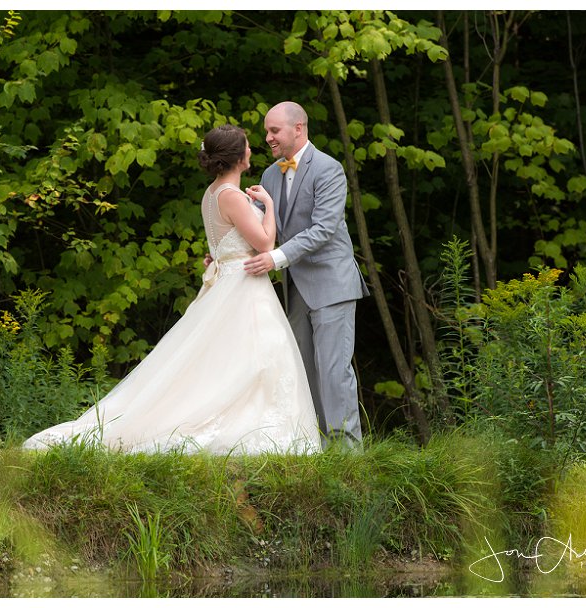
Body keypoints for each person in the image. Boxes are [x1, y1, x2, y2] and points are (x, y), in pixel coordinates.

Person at [23, 124, 321, 454]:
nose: (252, 150)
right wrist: (270, 205)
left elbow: (223, 243)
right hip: (243, 284)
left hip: (230, 279)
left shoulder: (212, 193)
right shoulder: (232, 195)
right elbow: (265, 243)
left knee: (233, 358)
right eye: (248, 147)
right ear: (237, 157)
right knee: (256, 354)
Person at [243, 101, 370, 447]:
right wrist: (226, 254)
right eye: (266, 131)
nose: (267, 137)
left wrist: (275, 259)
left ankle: (348, 456)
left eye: (274, 131)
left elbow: (324, 229)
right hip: (295, 287)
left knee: (333, 372)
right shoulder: (269, 175)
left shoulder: (328, 169)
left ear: (298, 128)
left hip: (332, 284)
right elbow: (256, 227)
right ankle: (317, 449)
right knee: (302, 371)